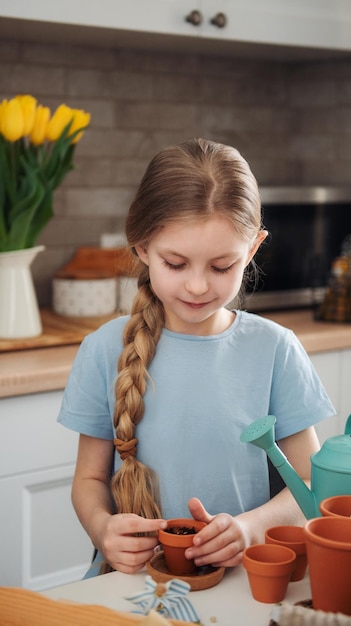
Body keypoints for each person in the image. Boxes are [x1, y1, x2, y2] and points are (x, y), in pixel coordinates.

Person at [57, 137, 335, 578]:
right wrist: (101, 529)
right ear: (142, 246)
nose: (198, 286)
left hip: (244, 583)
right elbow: (89, 481)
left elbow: (311, 483)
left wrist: (250, 528)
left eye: (221, 266)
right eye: (176, 263)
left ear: (253, 249)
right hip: (130, 585)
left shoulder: (275, 349)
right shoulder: (102, 350)